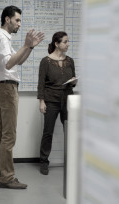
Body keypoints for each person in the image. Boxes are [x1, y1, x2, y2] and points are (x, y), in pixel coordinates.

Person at [0, 5, 44, 189]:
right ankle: (7, 177)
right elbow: (9, 64)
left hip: (4, 88)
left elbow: (18, 61)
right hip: (7, 89)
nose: (19, 24)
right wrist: (25, 45)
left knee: (2, 134)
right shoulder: (1, 39)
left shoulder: (4, 39)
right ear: (7, 19)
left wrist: (29, 48)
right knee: (9, 136)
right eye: (17, 20)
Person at [37, 31, 77, 175]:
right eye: (65, 42)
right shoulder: (45, 61)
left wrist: (74, 82)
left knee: (70, 131)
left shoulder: (70, 61)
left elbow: (72, 81)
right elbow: (41, 84)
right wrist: (42, 101)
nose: (68, 44)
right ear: (56, 43)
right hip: (51, 100)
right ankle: (43, 162)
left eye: (68, 41)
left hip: (68, 100)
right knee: (48, 132)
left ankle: (72, 161)